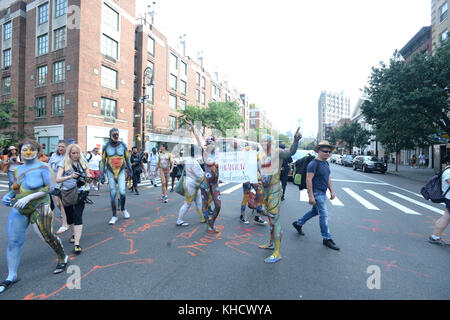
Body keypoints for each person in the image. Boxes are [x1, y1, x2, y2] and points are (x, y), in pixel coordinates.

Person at [0, 140, 69, 294]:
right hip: (20, 207)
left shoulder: (44, 167)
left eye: (32, 149)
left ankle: (62, 257)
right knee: (13, 241)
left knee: (46, 235)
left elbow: (49, 188)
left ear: (38, 152)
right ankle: (12, 275)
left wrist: (28, 198)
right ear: (20, 152)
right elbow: (17, 186)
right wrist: (9, 195)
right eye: (25, 149)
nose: (28, 152)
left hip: (40, 205)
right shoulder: (18, 169)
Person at [257, 128, 301, 263]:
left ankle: (277, 252)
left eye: (266, 141)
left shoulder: (277, 153)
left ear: (271, 143)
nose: (264, 143)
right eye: (262, 141)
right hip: (264, 190)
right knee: (270, 220)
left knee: (274, 220)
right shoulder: (260, 155)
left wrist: (295, 140)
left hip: (274, 190)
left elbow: (291, 152)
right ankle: (271, 243)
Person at [292, 140, 340, 251]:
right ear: (318, 151)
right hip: (317, 193)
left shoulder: (326, 163)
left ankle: (298, 223)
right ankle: (327, 238)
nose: (328, 153)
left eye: (329, 152)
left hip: (323, 193)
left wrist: (331, 191)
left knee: (315, 211)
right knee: (324, 214)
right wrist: (311, 196)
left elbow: (327, 177)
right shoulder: (313, 164)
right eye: (325, 151)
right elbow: (309, 180)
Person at [186, 119, 221, 234]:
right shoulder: (204, 152)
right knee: (205, 205)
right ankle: (208, 225)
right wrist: (192, 127)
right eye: (209, 143)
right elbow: (198, 139)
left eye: (212, 143)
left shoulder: (220, 155)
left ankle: (211, 223)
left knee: (218, 205)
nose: (210, 145)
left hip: (215, 183)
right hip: (205, 183)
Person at [56, 144, 91, 254]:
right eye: (73, 153)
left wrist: (89, 177)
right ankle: (74, 234)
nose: (76, 155)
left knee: (77, 216)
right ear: (69, 153)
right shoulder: (63, 163)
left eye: (77, 153)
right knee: (70, 219)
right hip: (68, 193)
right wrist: (70, 176)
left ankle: (77, 243)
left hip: (81, 192)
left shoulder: (83, 162)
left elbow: (88, 176)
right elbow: (58, 179)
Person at [100, 128, 132, 225]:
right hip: (110, 172)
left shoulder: (123, 145)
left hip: (121, 171)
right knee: (113, 193)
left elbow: (127, 159)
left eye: (117, 134)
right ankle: (114, 216)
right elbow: (103, 161)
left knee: (122, 192)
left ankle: (123, 208)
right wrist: (101, 174)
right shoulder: (106, 146)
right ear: (110, 135)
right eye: (114, 135)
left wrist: (130, 171)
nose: (116, 136)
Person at [176, 145, 206, 226]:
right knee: (187, 203)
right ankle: (179, 220)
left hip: (193, 184)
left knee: (199, 202)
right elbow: (199, 175)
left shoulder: (189, 160)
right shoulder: (194, 162)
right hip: (192, 185)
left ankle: (202, 218)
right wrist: (206, 175)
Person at [240, 145, 267, 225]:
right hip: (247, 180)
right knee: (246, 197)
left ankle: (257, 217)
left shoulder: (256, 158)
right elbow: (241, 171)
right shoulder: (244, 159)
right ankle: (242, 216)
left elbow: (259, 169)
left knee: (261, 195)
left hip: (256, 180)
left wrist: (262, 178)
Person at [49, 140, 70, 234]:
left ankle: (65, 224)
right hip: (54, 183)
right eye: (59, 146)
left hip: (64, 183)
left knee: (62, 204)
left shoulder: (68, 156)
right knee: (58, 203)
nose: (60, 148)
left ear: (66, 147)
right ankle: (65, 215)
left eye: (62, 146)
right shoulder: (53, 155)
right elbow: (49, 167)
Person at [428, 157, 450, 245]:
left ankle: (435, 236)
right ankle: (434, 236)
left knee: (446, 217)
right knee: (446, 217)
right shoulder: (448, 172)